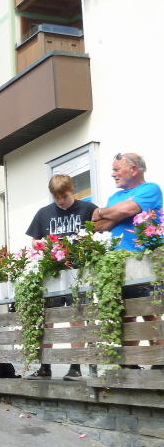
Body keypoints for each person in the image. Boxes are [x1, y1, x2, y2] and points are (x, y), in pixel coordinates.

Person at [26, 174, 97, 381]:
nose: (60, 201)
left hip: (79, 274)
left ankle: (75, 367)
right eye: (56, 197)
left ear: (71, 190)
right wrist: (43, 245)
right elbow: (34, 241)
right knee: (47, 320)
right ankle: (44, 367)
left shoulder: (88, 209)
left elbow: (100, 234)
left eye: (63, 196)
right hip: (53, 275)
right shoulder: (44, 213)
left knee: (77, 319)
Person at [93, 153, 163, 359]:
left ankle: (159, 360)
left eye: (117, 169)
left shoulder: (150, 189)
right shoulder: (115, 197)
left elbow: (123, 210)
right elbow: (99, 225)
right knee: (126, 316)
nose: (112, 174)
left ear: (133, 169)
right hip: (119, 265)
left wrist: (107, 212)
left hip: (145, 262)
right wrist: (109, 212)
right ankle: (130, 363)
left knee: (149, 313)